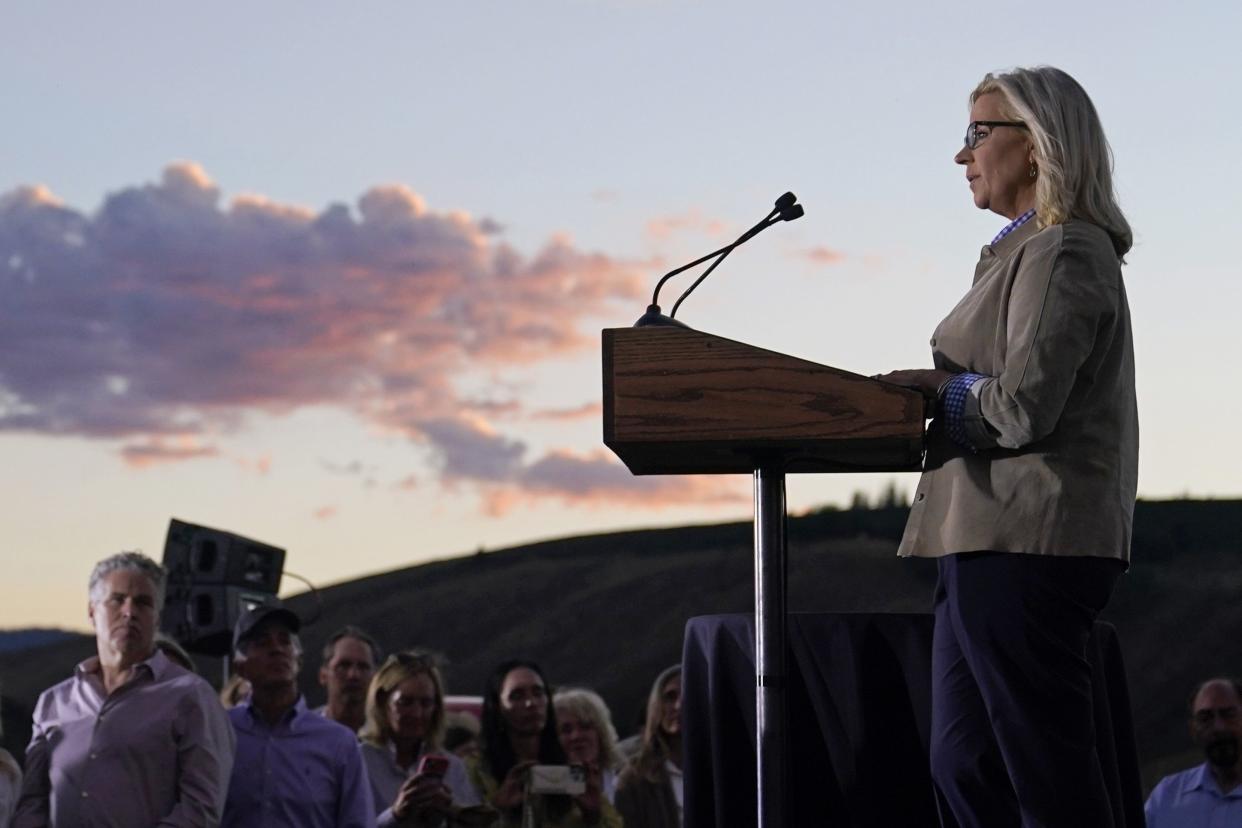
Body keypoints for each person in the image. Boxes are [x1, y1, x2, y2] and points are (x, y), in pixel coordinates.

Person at [877, 66, 1137, 827]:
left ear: (1036, 145)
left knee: (1043, 767)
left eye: (976, 134)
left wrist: (936, 391)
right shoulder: (1019, 251)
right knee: (964, 764)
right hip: (981, 540)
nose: (963, 157)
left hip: (1031, 541)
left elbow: (1025, 408)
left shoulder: (1064, 251)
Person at [14, 551, 236, 826]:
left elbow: (200, 810)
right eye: (117, 600)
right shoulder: (54, 702)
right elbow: (32, 803)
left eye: (143, 603)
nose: (129, 612)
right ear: (92, 611)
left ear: (157, 617)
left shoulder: (191, 697)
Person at [222, 604, 375, 828]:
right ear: (240, 667)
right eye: (262, 643)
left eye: (285, 641)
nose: (277, 649)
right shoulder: (220, 731)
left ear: (298, 661)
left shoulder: (338, 743)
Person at [467, 659, 621, 827]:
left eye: (538, 693)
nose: (531, 703)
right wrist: (498, 810)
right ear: (497, 707)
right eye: (517, 696)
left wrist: (593, 815)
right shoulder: (478, 771)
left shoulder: (568, 763)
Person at [359, 651, 484, 827]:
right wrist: (395, 815)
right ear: (382, 701)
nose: (417, 713)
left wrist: (449, 815)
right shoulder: (358, 761)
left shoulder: (453, 768)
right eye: (405, 702)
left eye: (426, 703)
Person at [1145, 678, 1242, 826]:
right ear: (1193, 729)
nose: (1219, 727)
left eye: (1228, 714)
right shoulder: (1166, 797)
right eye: (1205, 718)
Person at [615, 666, 682, 828]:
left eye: (690, 693)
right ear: (656, 707)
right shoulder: (633, 779)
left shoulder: (726, 767)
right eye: (670, 697)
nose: (679, 705)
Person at [554, 688, 626, 804]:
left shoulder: (625, 779)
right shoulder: (546, 786)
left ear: (601, 733)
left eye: (585, 726)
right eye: (566, 730)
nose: (576, 736)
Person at [317, 625, 381, 733]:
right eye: (343, 666)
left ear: (376, 678)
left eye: (363, 667)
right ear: (323, 675)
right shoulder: (300, 732)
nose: (353, 675)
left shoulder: (391, 738)